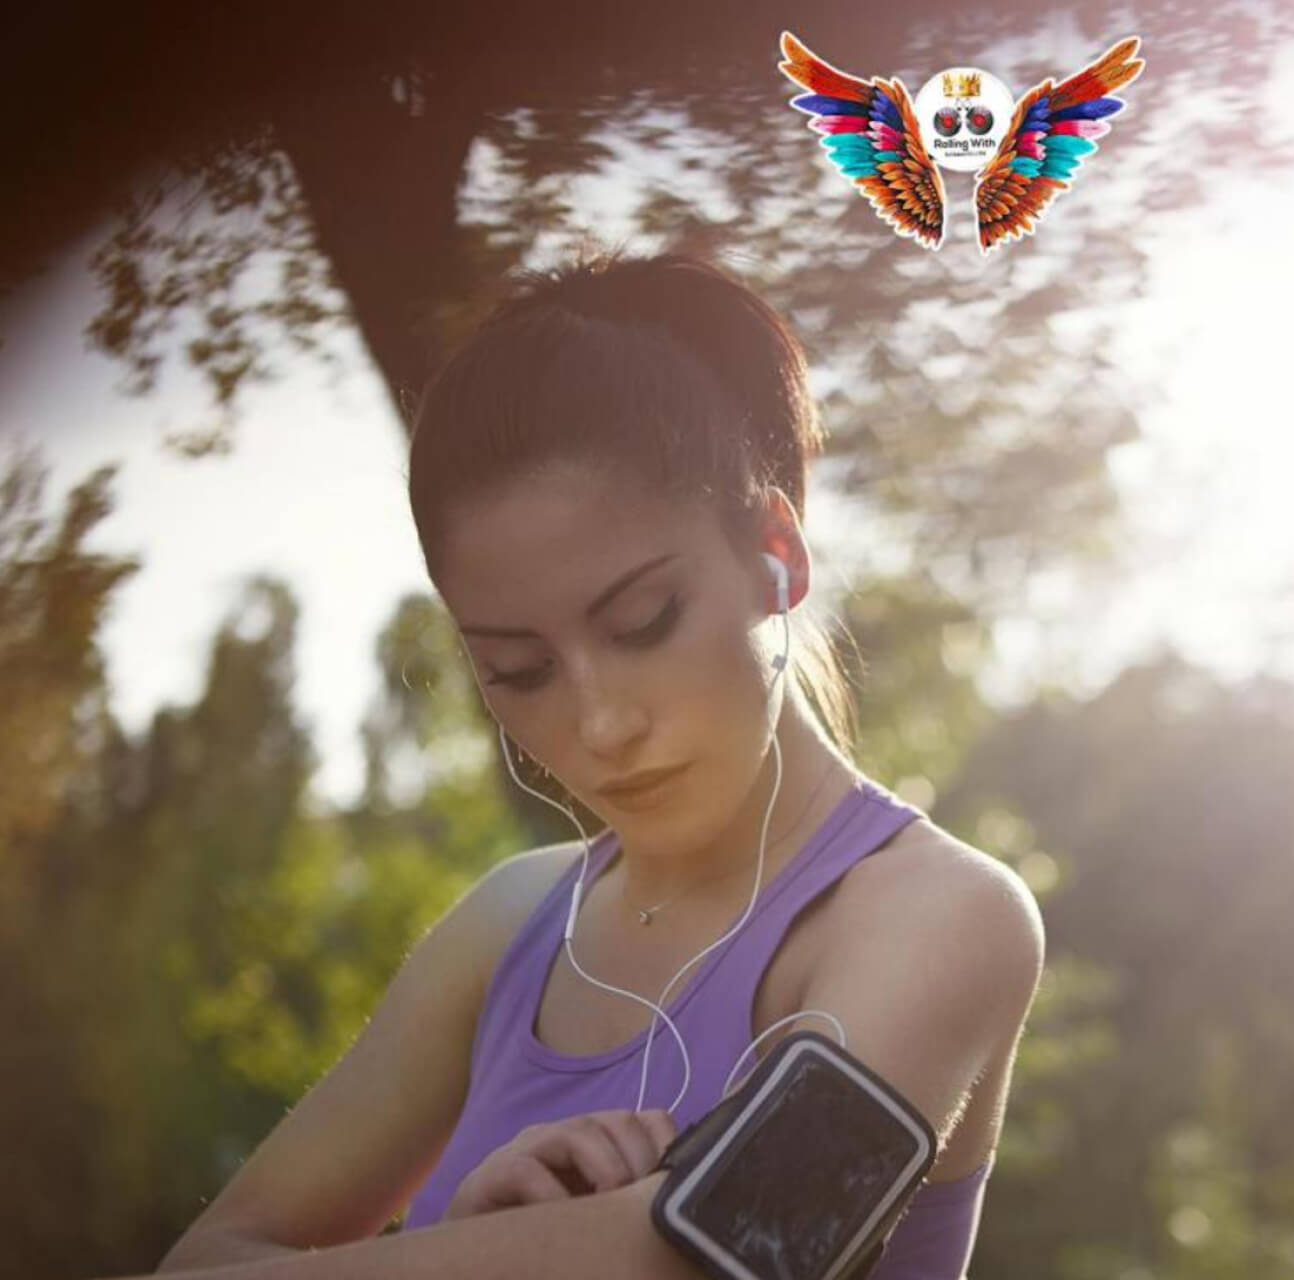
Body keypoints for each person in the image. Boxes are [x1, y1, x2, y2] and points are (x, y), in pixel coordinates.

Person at [142, 251, 1044, 1279]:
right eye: (519, 670)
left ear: (777, 555)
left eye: (643, 620)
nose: (600, 724)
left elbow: (728, 1250)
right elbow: (206, 1256)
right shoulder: (506, 924)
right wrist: (472, 1236)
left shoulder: (940, 913)